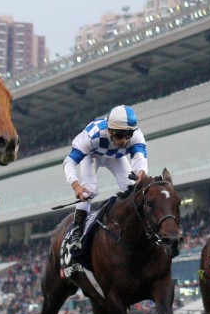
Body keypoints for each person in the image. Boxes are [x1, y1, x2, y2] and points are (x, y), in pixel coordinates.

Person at [61, 105, 148, 273]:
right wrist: (76, 186)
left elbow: (140, 158)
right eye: (120, 135)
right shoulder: (91, 136)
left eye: (128, 135)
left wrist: (141, 174)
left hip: (115, 157)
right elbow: (69, 162)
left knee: (133, 188)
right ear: (109, 130)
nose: (124, 140)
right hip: (91, 155)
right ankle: (77, 234)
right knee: (90, 190)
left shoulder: (136, 135)